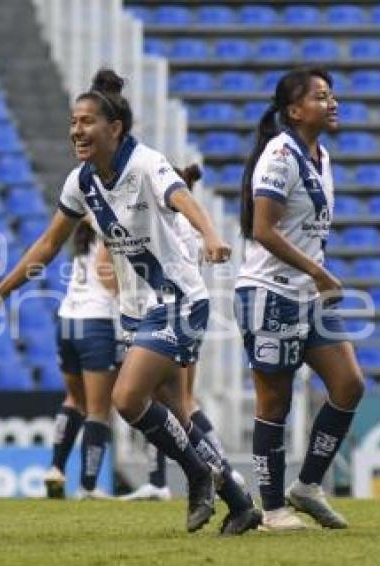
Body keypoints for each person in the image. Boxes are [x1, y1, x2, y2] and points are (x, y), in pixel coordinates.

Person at [0, 69, 260, 535]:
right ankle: (240, 502)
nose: (76, 131)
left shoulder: (145, 163)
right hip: (136, 312)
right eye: (73, 122)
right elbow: (47, 245)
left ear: (114, 129)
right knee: (180, 412)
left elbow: (181, 195)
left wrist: (210, 235)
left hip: (179, 300)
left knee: (127, 399)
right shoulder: (82, 182)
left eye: (86, 122)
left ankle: (196, 474)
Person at [234, 67, 364, 531]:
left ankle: (306, 486)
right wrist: (318, 270)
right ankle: (271, 511)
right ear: (294, 111)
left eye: (332, 95)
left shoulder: (322, 156)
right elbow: (262, 230)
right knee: (274, 404)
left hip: (308, 294)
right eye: (321, 97)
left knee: (349, 384)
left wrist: (315, 273)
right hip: (270, 294)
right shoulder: (280, 154)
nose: (332, 103)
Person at [122, 165, 242, 503]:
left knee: (167, 403)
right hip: (181, 315)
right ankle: (219, 478)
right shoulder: (182, 226)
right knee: (177, 405)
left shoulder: (169, 228)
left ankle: (209, 472)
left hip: (170, 315)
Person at [44, 220, 120, 500]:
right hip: (97, 322)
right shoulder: (114, 227)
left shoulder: (84, 232)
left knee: (75, 400)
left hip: (67, 320)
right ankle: (88, 486)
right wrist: (130, 297)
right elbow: (105, 270)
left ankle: (55, 468)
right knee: (99, 410)